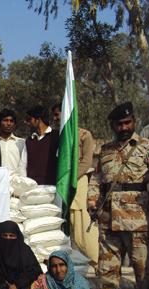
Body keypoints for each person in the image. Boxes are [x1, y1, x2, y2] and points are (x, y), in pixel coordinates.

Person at [88, 102, 149, 289]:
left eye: (127, 123)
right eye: (119, 124)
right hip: (108, 219)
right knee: (107, 274)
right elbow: (97, 179)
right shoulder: (105, 150)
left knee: (143, 272)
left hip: (138, 220)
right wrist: (92, 200)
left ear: (134, 122)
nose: (123, 127)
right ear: (113, 125)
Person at [52, 104, 98, 263]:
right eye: (56, 115)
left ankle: (94, 260)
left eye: (60, 114)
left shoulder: (84, 135)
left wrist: (70, 179)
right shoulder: (57, 136)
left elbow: (86, 162)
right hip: (60, 184)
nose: (57, 118)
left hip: (78, 182)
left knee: (80, 225)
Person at [24, 105, 60, 185]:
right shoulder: (29, 141)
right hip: (32, 188)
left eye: (30, 119)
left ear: (38, 119)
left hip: (51, 188)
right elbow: (22, 165)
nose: (27, 122)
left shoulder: (57, 137)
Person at [0, 109, 27, 177]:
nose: (9, 123)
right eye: (5, 120)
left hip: (17, 182)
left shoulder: (22, 143)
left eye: (11, 121)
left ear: (15, 124)